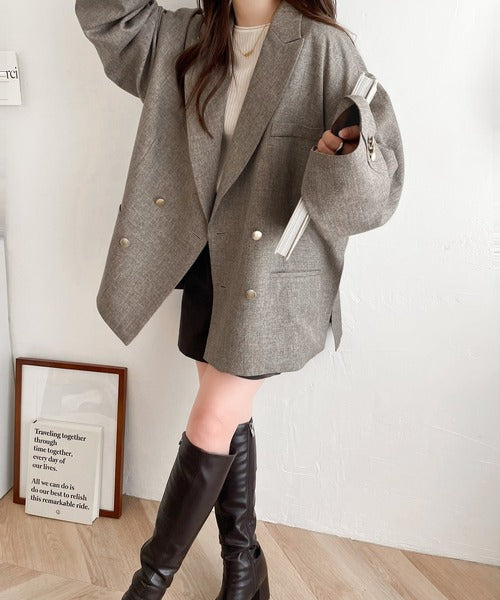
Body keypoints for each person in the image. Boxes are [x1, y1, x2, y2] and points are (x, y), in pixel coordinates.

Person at [74, 0, 404, 598]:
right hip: (204, 260)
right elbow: (109, 17)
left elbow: (378, 186)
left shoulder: (322, 46)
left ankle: (147, 586)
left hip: (270, 270)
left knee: (211, 418)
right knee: (229, 417)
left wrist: (350, 152)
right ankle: (245, 569)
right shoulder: (186, 36)